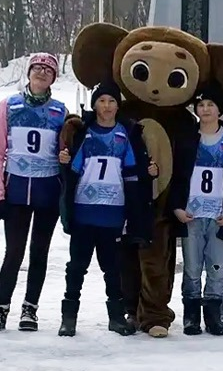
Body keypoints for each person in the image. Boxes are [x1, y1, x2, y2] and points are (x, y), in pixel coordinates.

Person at [56, 81, 155, 337]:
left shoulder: (125, 133)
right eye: (102, 101)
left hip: (112, 212)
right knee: (76, 266)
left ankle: (116, 316)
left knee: (112, 267)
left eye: (112, 101)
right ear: (95, 104)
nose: (107, 106)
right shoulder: (85, 132)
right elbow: (73, 170)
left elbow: (132, 173)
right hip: (84, 210)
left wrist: (147, 176)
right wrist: (65, 163)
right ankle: (69, 317)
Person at [0, 53, 69, 332]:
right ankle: (0, 308)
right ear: (29, 73)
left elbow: (65, 151)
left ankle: (30, 309)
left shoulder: (60, 110)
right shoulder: (9, 105)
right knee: (14, 252)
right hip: (17, 190)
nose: (42, 73)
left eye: (48, 70)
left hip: (47, 190)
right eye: (37, 69)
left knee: (39, 252)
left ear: (54, 77)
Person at [168, 84, 223, 336]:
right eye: (201, 105)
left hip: (219, 216)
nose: (205, 110)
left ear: (219, 111)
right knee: (192, 267)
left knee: (217, 267)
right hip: (192, 214)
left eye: (210, 105)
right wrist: (176, 207)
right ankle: (191, 314)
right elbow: (175, 176)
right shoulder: (186, 139)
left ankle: (213, 315)